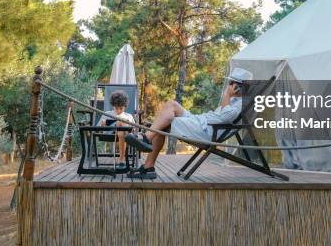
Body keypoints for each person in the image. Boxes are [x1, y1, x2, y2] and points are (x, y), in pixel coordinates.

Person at [125, 67, 253, 179]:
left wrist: (227, 95)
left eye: (231, 83)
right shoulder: (235, 100)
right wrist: (230, 97)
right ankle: (147, 142)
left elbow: (225, 118)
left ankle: (148, 158)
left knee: (164, 123)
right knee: (171, 104)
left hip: (206, 131)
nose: (229, 85)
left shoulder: (241, 103)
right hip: (202, 122)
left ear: (238, 87)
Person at [99, 90, 135, 169]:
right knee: (119, 123)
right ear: (113, 106)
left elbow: (133, 130)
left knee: (121, 128)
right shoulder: (107, 113)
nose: (118, 110)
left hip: (124, 136)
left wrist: (121, 122)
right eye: (116, 108)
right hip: (108, 134)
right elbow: (98, 128)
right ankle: (122, 160)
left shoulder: (129, 116)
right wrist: (103, 123)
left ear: (125, 107)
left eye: (121, 108)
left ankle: (121, 160)